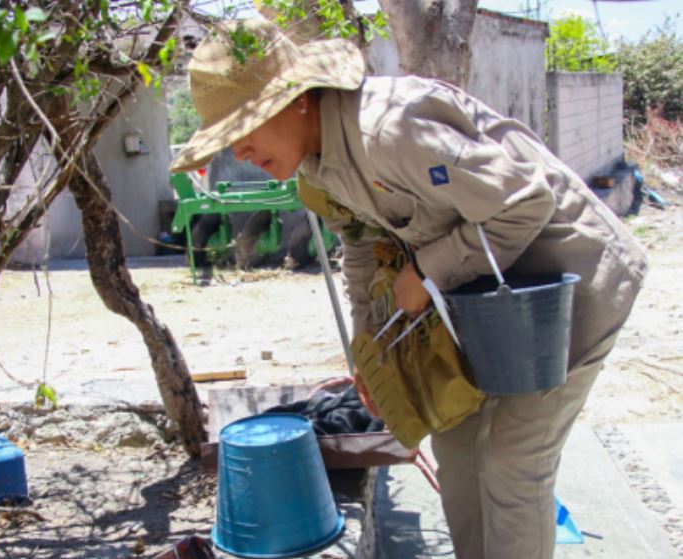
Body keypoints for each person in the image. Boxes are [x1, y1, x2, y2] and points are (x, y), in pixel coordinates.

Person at [171, 18, 647, 559]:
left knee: (512, 464)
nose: (240, 150)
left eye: (246, 126)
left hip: (568, 286)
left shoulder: (389, 129)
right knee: (460, 449)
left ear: (297, 100)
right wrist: (366, 347)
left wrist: (427, 272)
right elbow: (357, 246)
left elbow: (524, 203)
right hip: (486, 301)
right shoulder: (316, 170)